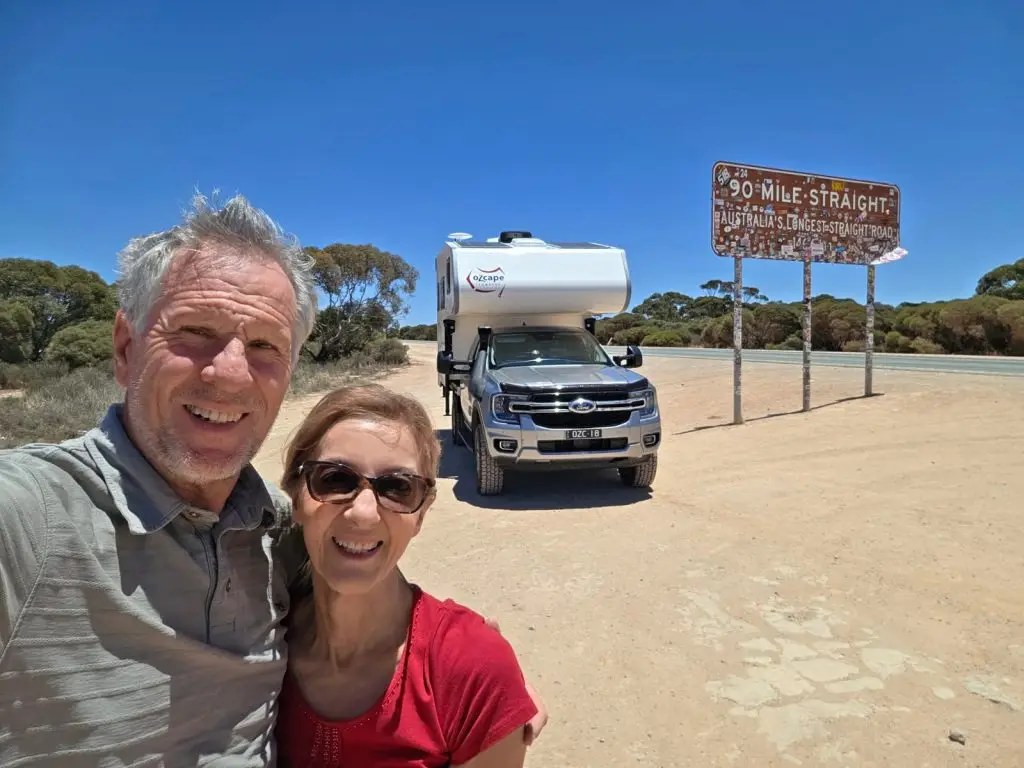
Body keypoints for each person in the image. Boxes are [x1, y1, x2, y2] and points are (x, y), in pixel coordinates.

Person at [0, 193, 547, 766]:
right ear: (124, 347)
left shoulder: (272, 534)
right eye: (195, 331)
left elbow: (365, 556)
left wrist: (477, 670)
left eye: (265, 345)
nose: (230, 374)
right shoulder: (28, 517)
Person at [273, 384, 536, 767]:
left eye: (397, 487)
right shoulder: (255, 642)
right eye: (334, 479)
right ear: (296, 496)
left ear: (422, 513)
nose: (363, 513)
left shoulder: (472, 668)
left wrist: (492, 676)